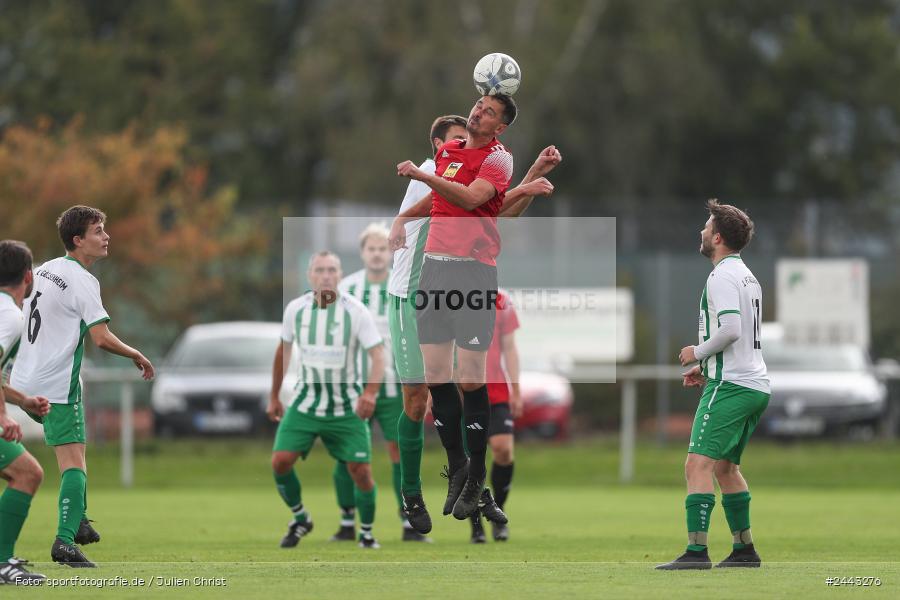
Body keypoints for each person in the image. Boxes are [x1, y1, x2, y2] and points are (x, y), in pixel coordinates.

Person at [391, 112, 560, 534]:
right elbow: (471, 201)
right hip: (412, 290)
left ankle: (470, 480)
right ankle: (411, 497)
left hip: (459, 279)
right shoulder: (432, 171)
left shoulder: (471, 164)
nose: (465, 140)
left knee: (466, 383)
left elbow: (488, 206)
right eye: (456, 137)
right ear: (438, 145)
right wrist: (528, 181)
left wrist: (530, 177)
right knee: (417, 399)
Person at [11, 206, 155, 568]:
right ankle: (64, 542)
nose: (106, 236)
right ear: (78, 241)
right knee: (73, 464)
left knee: (76, 454)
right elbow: (102, 338)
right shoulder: (82, 279)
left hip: (23, 381)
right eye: (98, 231)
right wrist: (135, 353)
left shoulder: (42, 269)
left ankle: (80, 520)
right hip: (56, 385)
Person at [656, 199, 769, 570]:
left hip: (732, 385)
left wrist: (696, 352)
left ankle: (696, 552)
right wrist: (706, 364)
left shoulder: (721, 275)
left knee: (696, 465)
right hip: (754, 385)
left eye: (706, 226)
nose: (702, 232)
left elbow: (731, 329)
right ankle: (744, 550)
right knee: (724, 468)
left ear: (717, 237)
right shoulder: (747, 275)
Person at [267, 251, 385, 549]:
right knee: (280, 461)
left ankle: (367, 533)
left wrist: (370, 392)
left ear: (340, 274)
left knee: (361, 472)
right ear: (310, 276)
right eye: (320, 270)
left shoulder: (356, 311)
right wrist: (274, 396)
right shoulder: (296, 309)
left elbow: (377, 355)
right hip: (306, 404)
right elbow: (283, 353)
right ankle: (301, 518)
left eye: (332, 270)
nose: (326, 275)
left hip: (346, 406)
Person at [331, 224, 429, 542]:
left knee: (399, 451)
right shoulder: (346, 290)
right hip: (354, 387)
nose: (376, 254)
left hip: (396, 387)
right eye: (371, 248)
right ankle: (347, 521)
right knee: (349, 454)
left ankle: (408, 521)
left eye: (382, 248)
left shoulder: (403, 286)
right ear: (362, 253)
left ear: (393, 251)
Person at [0, 240, 50, 583]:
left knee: (22, 473)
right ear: (28, 277)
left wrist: (23, 401)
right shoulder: (10, 315)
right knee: (27, 473)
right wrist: (2, 416)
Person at [470, 288, 520, 544]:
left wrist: (516, 388)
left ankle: (497, 510)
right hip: (464, 390)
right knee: (470, 457)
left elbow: (510, 348)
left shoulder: (501, 300)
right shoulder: (448, 296)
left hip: (496, 391)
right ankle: (475, 524)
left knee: (503, 451)